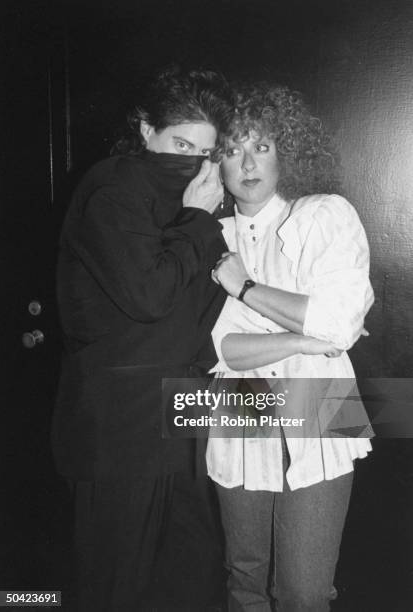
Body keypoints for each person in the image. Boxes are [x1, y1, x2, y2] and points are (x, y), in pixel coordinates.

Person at [52, 67, 234, 611]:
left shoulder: (185, 201)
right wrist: (199, 220)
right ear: (145, 129)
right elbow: (148, 296)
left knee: (191, 580)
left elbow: (193, 315)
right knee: (116, 588)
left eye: (205, 152)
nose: (193, 163)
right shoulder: (116, 186)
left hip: (181, 413)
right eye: (180, 144)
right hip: (122, 428)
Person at [208, 80, 375, 611]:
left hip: (325, 403)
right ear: (217, 164)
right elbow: (220, 351)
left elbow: (340, 325)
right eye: (232, 149)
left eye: (262, 145)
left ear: (287, 152)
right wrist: (305, 336)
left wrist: (245, 288)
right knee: (245, 578)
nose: (248, 163)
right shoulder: (207, 238)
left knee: (304, 590)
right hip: (239, 405)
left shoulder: (326, 214)